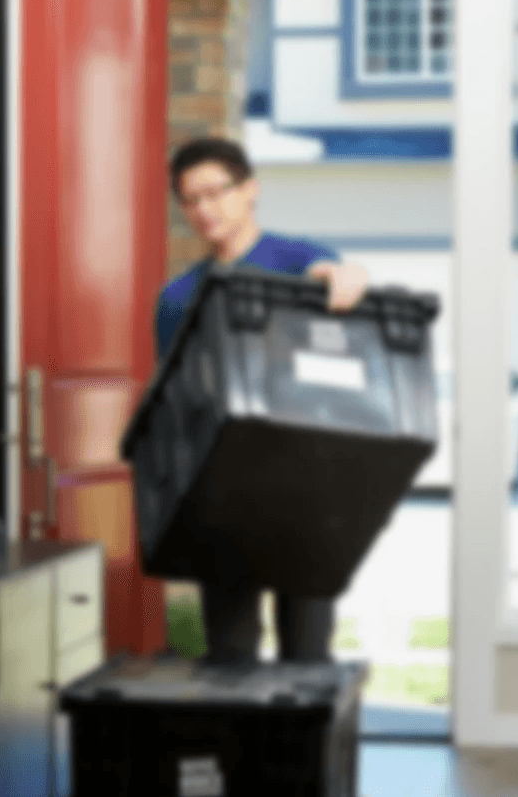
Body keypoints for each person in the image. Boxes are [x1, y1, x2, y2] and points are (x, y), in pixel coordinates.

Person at [158, 137, 370, 665]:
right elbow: (176, 400)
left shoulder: (295, 258)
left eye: (216, 192)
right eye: (191, 200)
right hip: (223, 493)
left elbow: (337, 277)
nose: (204, 209)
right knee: (229, 656)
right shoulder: (178, 297)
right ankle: (241, 751)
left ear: (250, 190)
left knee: (307, 654)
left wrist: (348, 277)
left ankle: (304, 751)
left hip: (307, 489)